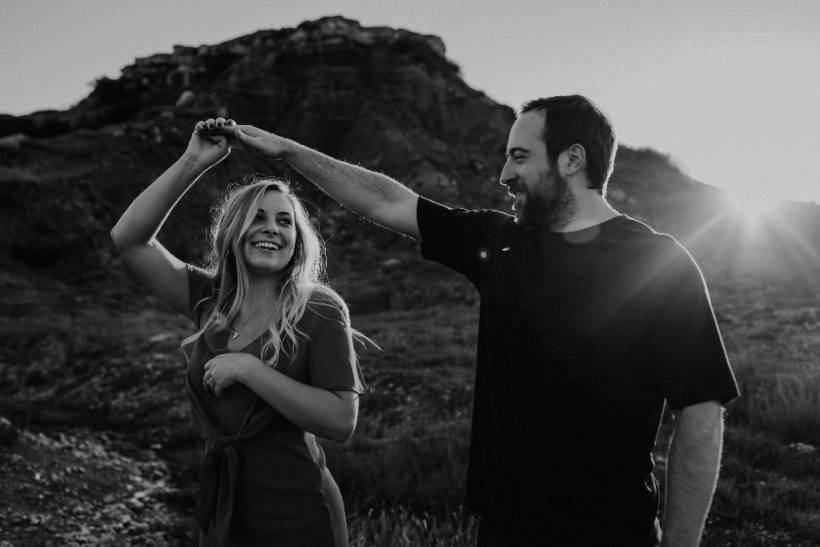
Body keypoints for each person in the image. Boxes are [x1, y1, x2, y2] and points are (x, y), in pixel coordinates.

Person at [214, 94, 740, 546]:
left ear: (572, 159)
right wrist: (288, 151)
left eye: (519, 157)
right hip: (503, 531)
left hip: (611, 533)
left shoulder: (660, 263)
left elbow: (700, 409)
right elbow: (387, 202)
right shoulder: (501, 243)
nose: (505, 174)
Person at [110, 117, 367, 546]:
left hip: (297, 513)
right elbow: (129, 239)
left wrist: (249, 369)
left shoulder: (319, 308)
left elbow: (341, 420)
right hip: (221, 510)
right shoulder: (207, 298)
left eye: (285, 221)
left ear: (297, 240)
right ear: (233, 232)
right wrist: (193, 162)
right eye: (257, 217)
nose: (272, 228)